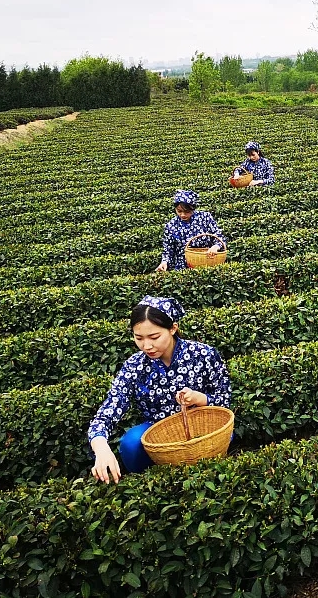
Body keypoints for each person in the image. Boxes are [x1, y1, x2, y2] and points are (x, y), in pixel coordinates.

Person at [88, 296, 232, 483]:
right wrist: (100, 445)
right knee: (131, 443)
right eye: (138, 338)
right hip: (159, 433)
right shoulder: (135, 366)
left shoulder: (203, 354)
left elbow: (225, 399)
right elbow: (112, 405)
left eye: (154, 337)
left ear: (173, 328)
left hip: (204, 427)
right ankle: (148, 484)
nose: (147, 346)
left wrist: (199, 398)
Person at [156, 190, 225, 272]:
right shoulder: (171, 226)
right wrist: (164, 262)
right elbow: (168, 249)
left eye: (187, 211)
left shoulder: (205, 217)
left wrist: (216, 246)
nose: (183, 215)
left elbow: (218, 235)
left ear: (193, 209)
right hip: (183, 267)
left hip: (207, 261)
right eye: (179, 211)